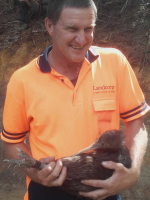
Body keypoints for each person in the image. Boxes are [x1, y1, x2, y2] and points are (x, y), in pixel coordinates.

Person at [1, 0, 149, 200]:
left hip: (105, 190)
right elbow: (13, 141)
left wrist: (133, 171)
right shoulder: (23, 80)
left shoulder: (115, 63)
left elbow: (136, 124)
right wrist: (34, 173)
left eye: (89, 29)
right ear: (49, 26)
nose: (81, 39)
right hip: (48, 191)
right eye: (72, 29)